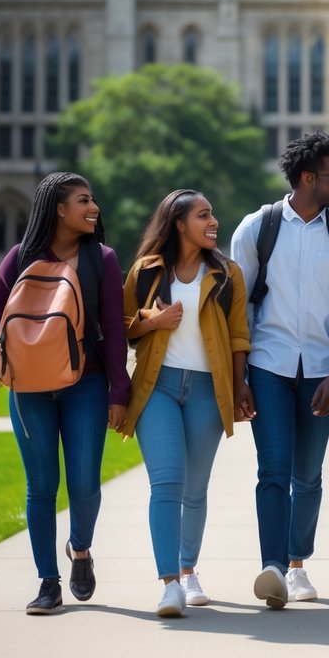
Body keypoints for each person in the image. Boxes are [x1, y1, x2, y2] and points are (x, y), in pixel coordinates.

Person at [0, 172, 131, 615]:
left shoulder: (101, 259)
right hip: (28, 387)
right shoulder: (19, 257)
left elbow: (114, 332)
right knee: (41, 487)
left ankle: (79, 549)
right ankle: (48, 582)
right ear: (58, 209)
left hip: (84, 384)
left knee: (84, 483)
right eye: (83, 200)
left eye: (94, 200)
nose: (94, 207)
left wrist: (118, 391)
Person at [230, 132, 329, 608]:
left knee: (308, 475)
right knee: (273, 469)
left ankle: (297, 562)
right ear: (309, 178)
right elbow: (238, 311)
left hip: (321, 371)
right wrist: (238, 378)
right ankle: (272, 566)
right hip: (269, 365)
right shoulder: (256, 228)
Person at [122, 190, 253, 617]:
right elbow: (121, 327)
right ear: (179, 224)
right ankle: (169, 584)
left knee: (195, 489)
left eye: (213, 214)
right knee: (167, 483)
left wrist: (239, 389)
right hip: (156, 387)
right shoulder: (145, 271)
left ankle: (189, 568)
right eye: (203, 215)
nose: (213, 221)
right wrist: (152, 321)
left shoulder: (228, 274)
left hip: (205, 390)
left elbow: (238, 337)